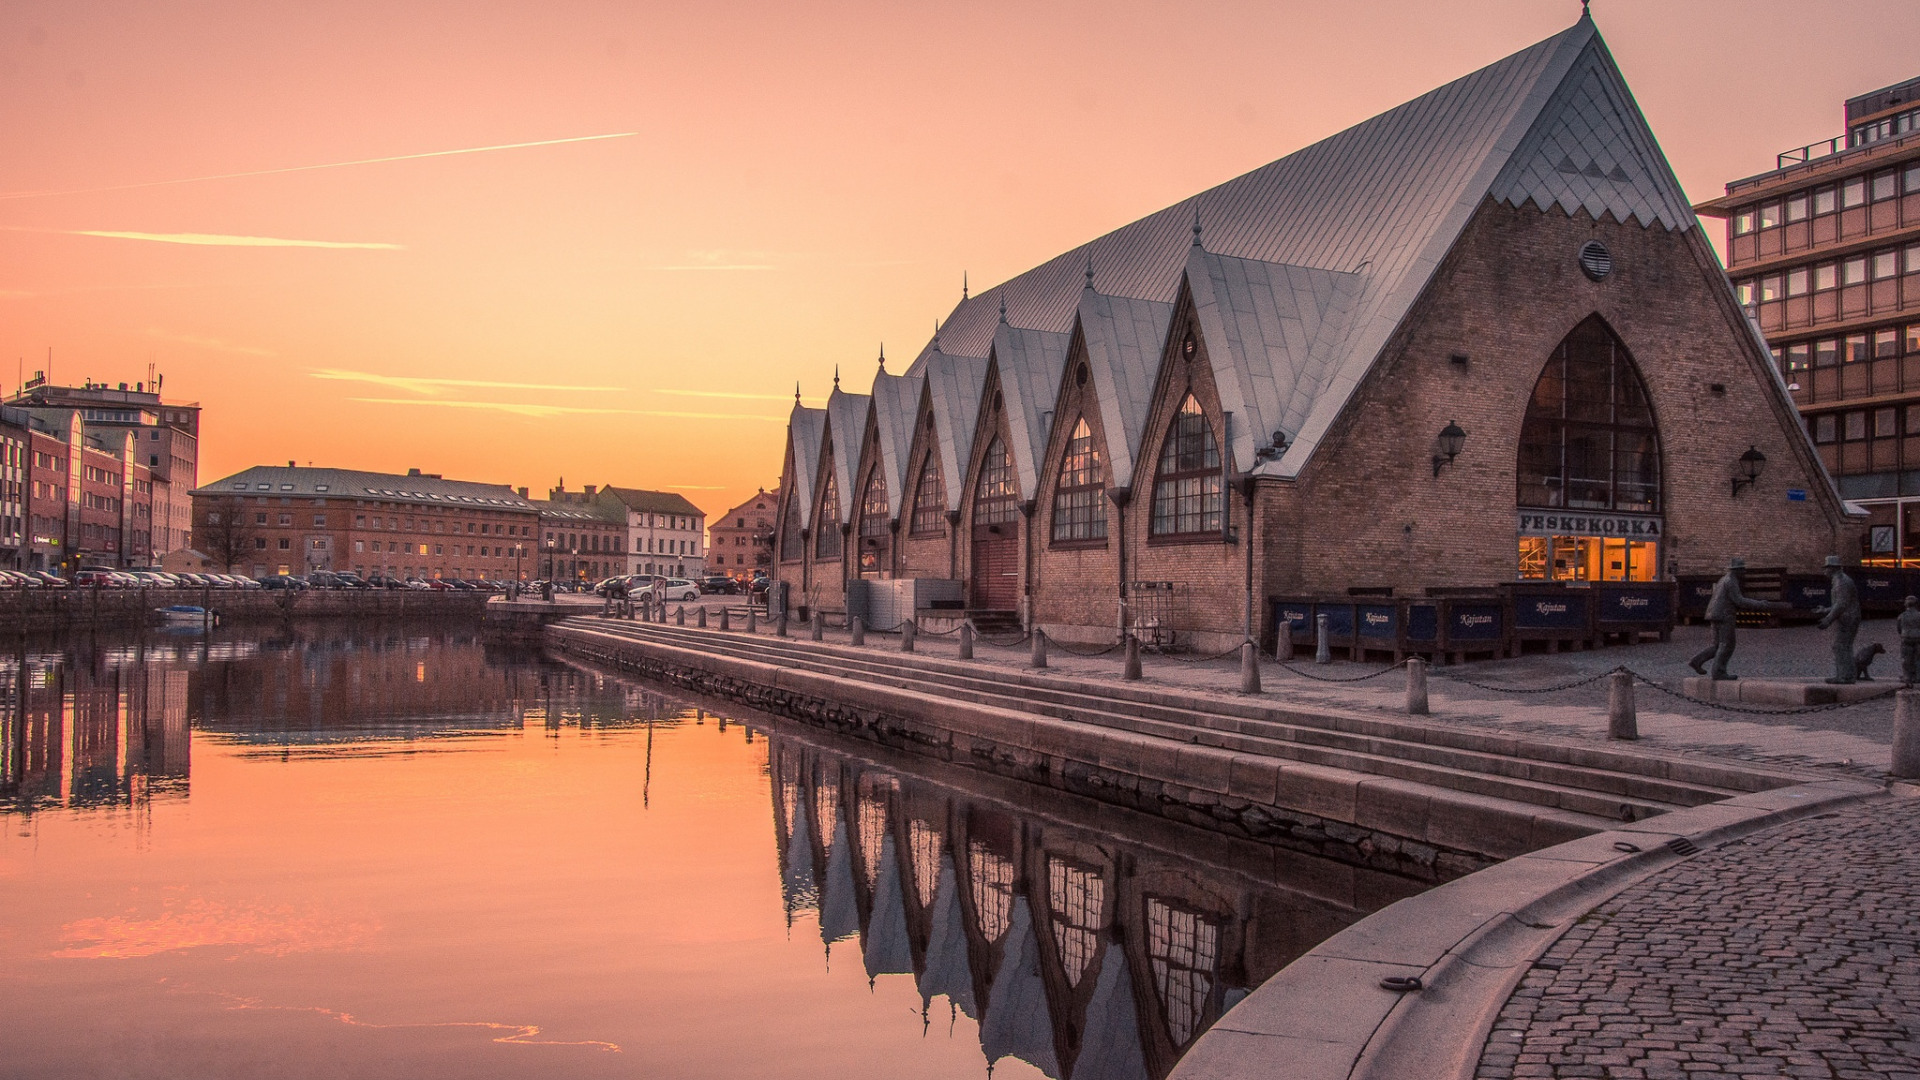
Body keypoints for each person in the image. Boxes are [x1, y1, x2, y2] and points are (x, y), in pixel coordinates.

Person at [1688, 557, 1787, 680]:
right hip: (1725, 615)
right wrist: (1760, 604)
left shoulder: (1724, 579)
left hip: (1714, 614)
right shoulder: (1731, 581)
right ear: (1737, 570)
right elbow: (1739, 600)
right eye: (1742, 569)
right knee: (1727, 645)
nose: (1744, 572)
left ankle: (1697, 661)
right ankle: (1719, 672)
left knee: (1717, 645)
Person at [1815, 555, 1861, 685]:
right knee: (1844, 646)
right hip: (1847, 617)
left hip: (1848, 619)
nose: (1824, 572)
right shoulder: (1839, 580)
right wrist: (1825, 609)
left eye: (1826, 569)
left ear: (1832, 569)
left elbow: (1841, 605)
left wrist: (1828, 619)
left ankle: (1845, 676)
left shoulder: (1841, 582)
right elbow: (1840, 603)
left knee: (1840, 646)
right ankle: (1846, 675)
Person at [1898, 596, 1920, 687]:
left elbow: (1899, 628)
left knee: (1906, 659)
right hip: (1918, 638)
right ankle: (1918, 676)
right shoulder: (1919, 615)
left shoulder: (1902, 616)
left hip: (1906, 637)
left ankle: (1907, 677)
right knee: (1918, 658)